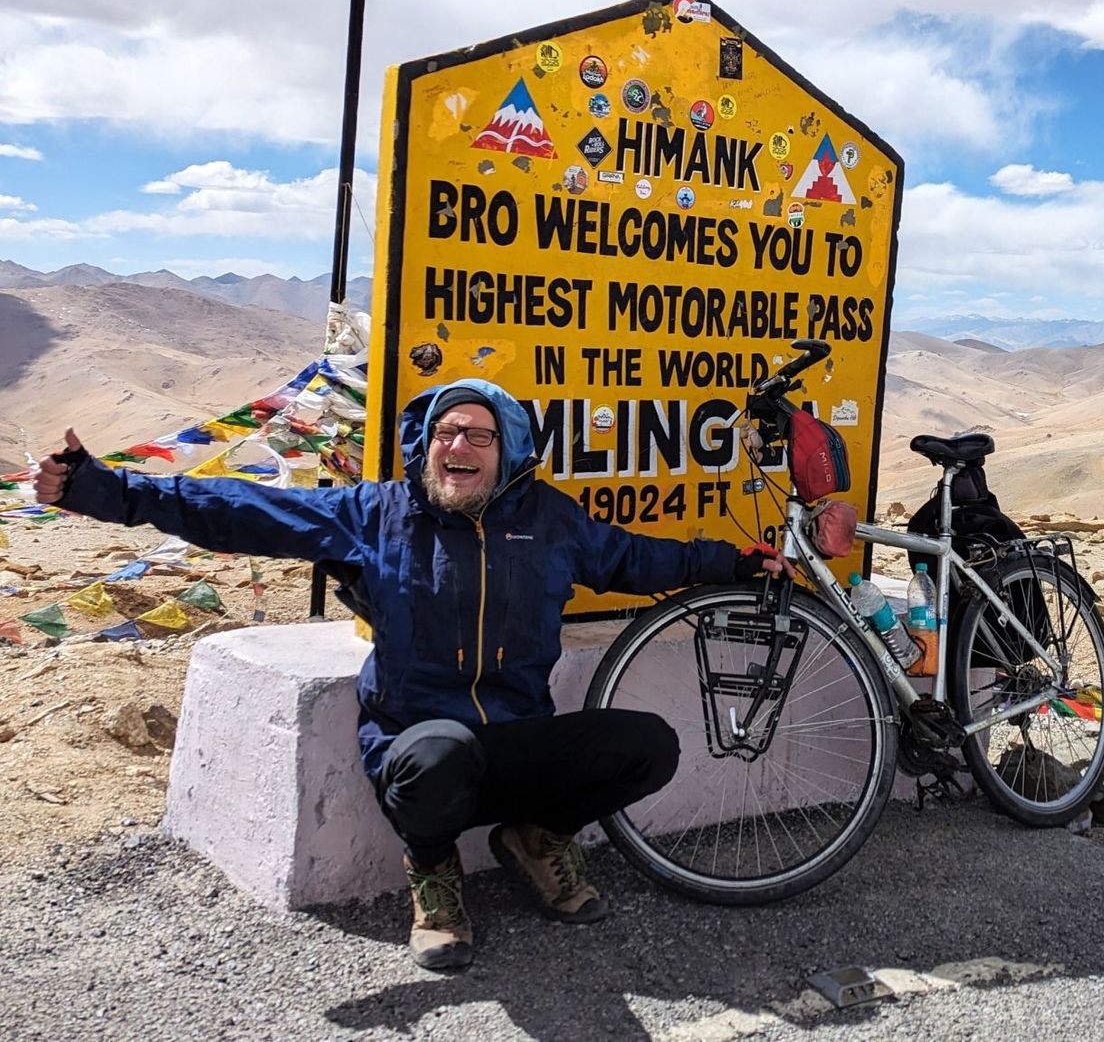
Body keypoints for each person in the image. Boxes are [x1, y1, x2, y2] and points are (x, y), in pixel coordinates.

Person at [35, 378, 787, 970]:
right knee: (439, 753)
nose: (459, 444)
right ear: (424, 445)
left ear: (510, 449)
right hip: (417, 746)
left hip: (516, 738)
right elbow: (242, 511)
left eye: (480, 434)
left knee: (647, 743)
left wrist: (736, 565)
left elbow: (639, 558)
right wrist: (105, 491)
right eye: (446, 432)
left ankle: (534, 836)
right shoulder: (377, 514)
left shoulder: (551, 520)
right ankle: (433, 870)